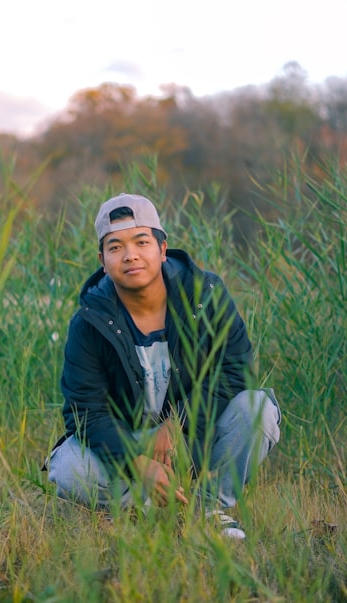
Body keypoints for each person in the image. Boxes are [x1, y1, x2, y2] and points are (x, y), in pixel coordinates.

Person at [45, 193, 280, 538]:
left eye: (141, 241)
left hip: (193, 436)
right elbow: (84, 412)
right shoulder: (90, 320)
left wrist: (176, 422)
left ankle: (206, 509)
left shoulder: (205, 295)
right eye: (115, 247)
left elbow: (236, 371)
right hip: (129, 439)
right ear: (102, 259)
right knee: (66, 469)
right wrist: (135, 462)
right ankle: (150, 505)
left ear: (162, 248)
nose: (130, 255)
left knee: (257, 408)